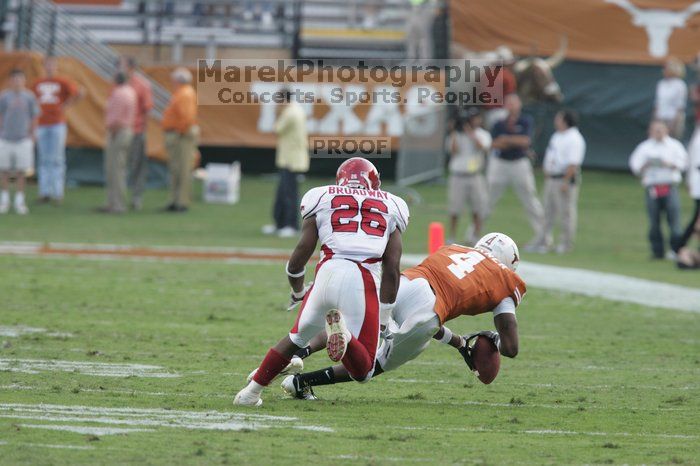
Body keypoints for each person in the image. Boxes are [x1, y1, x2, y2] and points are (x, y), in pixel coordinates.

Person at [234, 158, 410, 406]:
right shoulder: (393, 205)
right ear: (376, 182)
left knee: (295, 339)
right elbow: (391, 267)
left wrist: (297, 292)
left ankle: (250, 393)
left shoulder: (321, 196)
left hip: (326, 272)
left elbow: (299, 257)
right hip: (361, 278)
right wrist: (385, 317)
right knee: (364, 370)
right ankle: (346, 337)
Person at [280, 233, 525, 400]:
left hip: (405, 284)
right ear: (508, 262)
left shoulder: (455, 248)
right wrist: (493, 339)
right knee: (370, 368)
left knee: (355, 322)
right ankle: (300, 384)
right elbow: (511, 348)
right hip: (428, 309)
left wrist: (460, 342)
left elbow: (429, 304)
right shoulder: (504, 278)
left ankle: (298, 354)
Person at [486, 94, 546, 248]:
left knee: (530, 199)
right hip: (501, 163)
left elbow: (525, 141)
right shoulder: (499, 123)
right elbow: (494, 144)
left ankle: (543, 236)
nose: (511, 106)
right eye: (509, 103)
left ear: (519, 105)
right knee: (488, 199)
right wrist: (512, 141)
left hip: (519, 162)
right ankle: (473, 233)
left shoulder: (525, 121)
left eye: (514, 103)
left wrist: (506, 139)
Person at [629, 120, 688, 259]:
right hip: (653, 188)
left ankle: (675, 250)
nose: (658, 133)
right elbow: (634, 166)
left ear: (666, 130)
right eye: (655, 130)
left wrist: (669, 164)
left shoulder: (674, 146)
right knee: (654, 222)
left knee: (674, 221)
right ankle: (657, 251)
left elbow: (684, 163)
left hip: (669, 186)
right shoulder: (645, 147)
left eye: (660, 129)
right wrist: (646, 164)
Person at [32, 56, 81, 205]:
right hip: (42, 123)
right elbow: (32, 100)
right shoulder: (37, 83)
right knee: (44, 158)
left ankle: (58, 193)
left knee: (57, 158)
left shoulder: (62, 81)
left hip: (57, 123)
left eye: (52, 64)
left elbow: (79, 93)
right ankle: (44, 192)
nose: (50, 67)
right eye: (47, 64)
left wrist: (65, 106)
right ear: (43, 66)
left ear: (56, 66)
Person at [262, 89, 309, 238]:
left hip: (292, 160)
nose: (277, 104)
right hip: (289, 158)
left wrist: (277, 113)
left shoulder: (290, 113)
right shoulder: (295, 110)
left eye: (278, 101)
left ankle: (291, 225)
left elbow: (277, 129)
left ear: (283, 100)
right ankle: (280, 224)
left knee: (289, 194)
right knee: (282, 193)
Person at [539, 110, 586, 254]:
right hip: (552, 178)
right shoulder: (557, 136)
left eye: (558, 118)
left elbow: (574, 162)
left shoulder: (574, 138)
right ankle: (544, 241)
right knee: (548, 211)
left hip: (564, 178)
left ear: (565, 121)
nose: (556, 121)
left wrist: (566, 181)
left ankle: (566, 243)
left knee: (566, 212)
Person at [446, 109, 491, 245]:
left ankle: (475, 236)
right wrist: (454, 130)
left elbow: (482, 147)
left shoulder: (482, 134)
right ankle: (452, 236)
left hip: (475, 175)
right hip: (458, 175)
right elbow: (453, 150)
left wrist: (470, 132)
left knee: (478, 207)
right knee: (455, 208)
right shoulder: (456, 135)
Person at [0, 69, 40, 215]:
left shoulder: (29, 97)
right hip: (5, 138)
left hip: (23, 139)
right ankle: (4, 200)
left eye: (20, 79)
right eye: (14, 79)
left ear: (24, 80)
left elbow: (35, 116)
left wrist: (32, 134)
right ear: (10, 80)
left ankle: (20, 200)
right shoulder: (4, 96)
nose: (17, 82)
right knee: (3, 170)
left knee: (21, 171)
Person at [119, 56, 153, 211]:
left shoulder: (141, 84)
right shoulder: (118, 83)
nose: (119, 68)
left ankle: (136, 197)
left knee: (137, 165)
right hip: (120, 130)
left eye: (122, 65)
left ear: (131, 67)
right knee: (120, 165)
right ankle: (119, 198)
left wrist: (142, 128)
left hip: (136, 130)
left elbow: (147, 108)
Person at [162, 67, 198, 213]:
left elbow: (187, 118)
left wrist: (178, 132)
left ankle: (181, 202)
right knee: (177, 169)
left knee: (182, 169)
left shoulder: (185, 94)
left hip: (181, 135)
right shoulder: (183, 93)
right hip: (179, 134)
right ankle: (176, 200)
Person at [100, 72, 136, 214]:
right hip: (125, 131)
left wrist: (113, 133)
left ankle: (116, 204)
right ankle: (113, 202)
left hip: (118, 132)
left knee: (114, 170)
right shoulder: (130, 91)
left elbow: (116, 118)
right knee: (117, 169)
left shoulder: (119, 93)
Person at [654, 58, 688, 140]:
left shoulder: (680, 85)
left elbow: (680, 106)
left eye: (665, 68)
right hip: (660, 118)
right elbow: (658, 102)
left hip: (673, 119)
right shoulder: (661, 83)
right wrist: (656, 119)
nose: (663, 70)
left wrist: (673, 123)